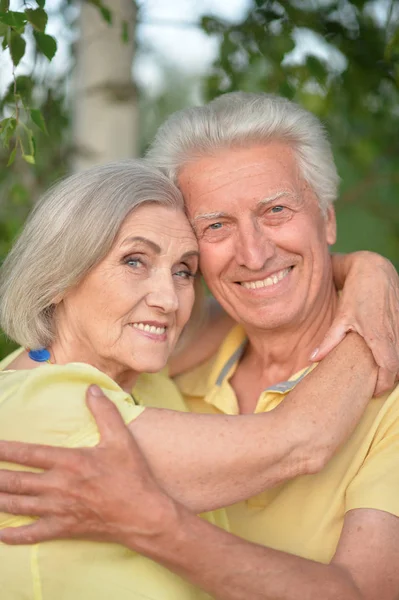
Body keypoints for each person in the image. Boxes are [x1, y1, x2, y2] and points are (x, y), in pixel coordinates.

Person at [0, 93, 398, 600]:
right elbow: (301, 437)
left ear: (327, 220)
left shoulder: (153, 371)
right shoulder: (59, 400)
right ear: (60, 276)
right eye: (216, 226)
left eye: (276, 210)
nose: (253, 254)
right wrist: (372, 285)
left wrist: (369, 273)